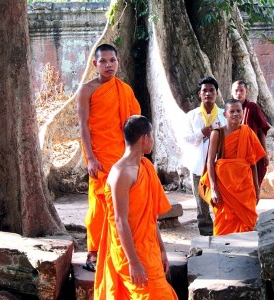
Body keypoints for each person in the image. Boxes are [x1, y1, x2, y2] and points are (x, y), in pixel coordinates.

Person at [94, 115, 178, 300]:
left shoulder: (145, 166)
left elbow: (150, 215)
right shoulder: (121, 173)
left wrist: (162, 249)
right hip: (130, 252)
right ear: (144, 138)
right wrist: (133, 262)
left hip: (149, 248)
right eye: (152, 136)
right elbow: (119, 220)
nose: (153, 141)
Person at [77, 43, 141, 272]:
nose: (108, 65)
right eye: (103, 61)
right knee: (99, 206)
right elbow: (83, 126)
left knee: (121, 205)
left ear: (118, 61)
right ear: (95, 64)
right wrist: (90, 158)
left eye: (112, 60)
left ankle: (119, 250)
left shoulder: (125, 90)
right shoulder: (87, 90)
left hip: (121, 157)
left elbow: (133, 126)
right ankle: (94, 253)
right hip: (100, 158)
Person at [200, 99, 266, 236]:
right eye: (232, 111)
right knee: (224, 220)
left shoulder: (248, 132)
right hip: (224, 186)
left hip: (245, 186)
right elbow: (210, 162)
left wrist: (256, 188)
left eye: (239, 111)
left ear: (243, 113)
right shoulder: (217, 133)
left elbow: (252, 163)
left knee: (247, 222)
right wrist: (213, 188)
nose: (236, 114)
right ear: (225, 115)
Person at [183, 77, 226, 236]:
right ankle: (206, 236)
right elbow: (186, 139)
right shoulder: (191, 116)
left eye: (211, 90)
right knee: (202, 206)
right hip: (198, 167)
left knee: (221, 201)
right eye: (204, 91)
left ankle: (223, 233)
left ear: (216, 93)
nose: (208, 93)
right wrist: (202, 133)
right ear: (199, 95)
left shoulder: (224, 115)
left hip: (219, 166)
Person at [231, 80, 270, 188]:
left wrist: (265, 153)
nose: (239, 93)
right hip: (235, 154)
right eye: (236, 90)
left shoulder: (252, 108)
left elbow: (261, 131)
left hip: (253, 152)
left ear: (246, 92)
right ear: (231, 92)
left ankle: (251, 204)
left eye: (241, 90)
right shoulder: (229, 109)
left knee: (252, 184)